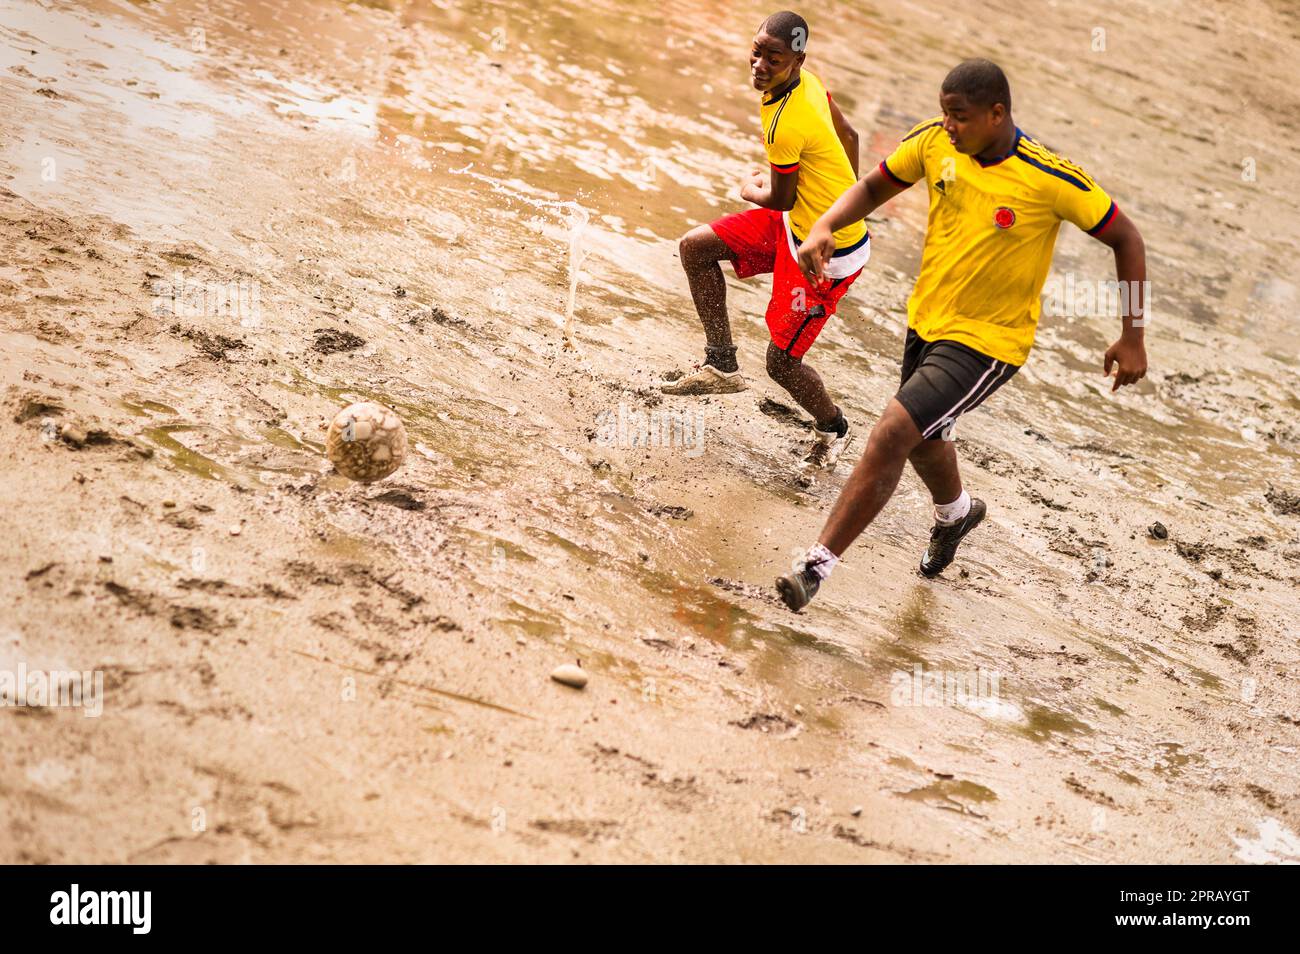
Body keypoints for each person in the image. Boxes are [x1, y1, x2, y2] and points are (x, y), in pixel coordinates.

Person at [776, 58, 1148, 611]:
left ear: (998, 114)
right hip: (927, 321)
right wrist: (828, 223)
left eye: (960, 116)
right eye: (945, 112)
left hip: (990, 343)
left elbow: (1127, 238)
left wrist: (1133, 335)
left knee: (891, 432)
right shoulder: (934, 143)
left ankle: (815, 568)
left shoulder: (1050, 178)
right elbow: (875, 186)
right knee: (925, 436)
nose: (948, 124)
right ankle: (956, 513)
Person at [662, 10, 869, 472]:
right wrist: (846, 197)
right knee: (696, 247)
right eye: (757, 52)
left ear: (797, 60)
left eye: (773, 58)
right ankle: (721, 364)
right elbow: (850, 135)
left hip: (827, 254)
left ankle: (833, 428)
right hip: (797, 224)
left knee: (781, 363)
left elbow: (778, 196)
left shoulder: (784, 122)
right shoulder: (810, 82)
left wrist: (747, 188)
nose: (760, 65)